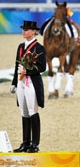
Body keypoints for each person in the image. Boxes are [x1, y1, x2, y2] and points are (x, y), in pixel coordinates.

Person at [10, 20, 46, 153]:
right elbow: (16, 65)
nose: (23, 31)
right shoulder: (20, 46)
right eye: (23, 29)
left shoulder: (39, 48)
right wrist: (14, 82)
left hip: (31, 82)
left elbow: (42, 67)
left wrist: (28, 71)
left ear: (34, 32)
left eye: (26, 29)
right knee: (24, 112)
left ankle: (35, 143)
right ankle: (25, 142)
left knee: (32, 111)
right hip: (21, 81)